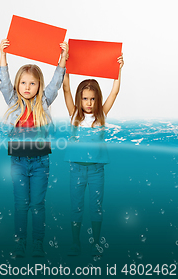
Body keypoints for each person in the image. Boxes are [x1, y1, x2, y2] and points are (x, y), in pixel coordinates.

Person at [0, 38, 68, 257]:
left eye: (32, 83)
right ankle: (20, 243)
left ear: (39, 86)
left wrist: (63, 58)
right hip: (18, 161)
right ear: (18, 85)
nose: (27, 88)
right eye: (23, 83)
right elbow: (4, 82)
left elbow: (56, 83)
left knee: (37, 205)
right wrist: (3, 55)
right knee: (21, 204)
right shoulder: (12, 101)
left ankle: (37, 243)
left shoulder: (44, 102)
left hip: (40, 162)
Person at [62, 54, 124, 257]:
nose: (88, 102)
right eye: (85, 98)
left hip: (96, 169)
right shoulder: (73, 114)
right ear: (80, 98)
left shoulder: (101, 115)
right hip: (76, 169)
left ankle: (95, 243)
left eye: (92, 99)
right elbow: (66, 89)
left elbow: (114, 93)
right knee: (75, 208)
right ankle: (74, 243)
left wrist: (118, 70)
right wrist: (66, 65)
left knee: (96, 208)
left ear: (97, 99)